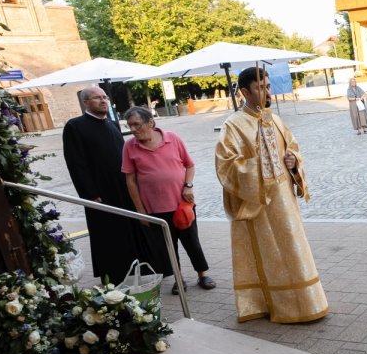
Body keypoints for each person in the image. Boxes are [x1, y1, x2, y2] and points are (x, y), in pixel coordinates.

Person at [215, 65, 328, 323]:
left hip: (285, 201)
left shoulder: (274, 119)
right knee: (272, 255)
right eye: (260, 88)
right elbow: (226, 165)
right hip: (260, 204)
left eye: (268, 86)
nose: (267, 92)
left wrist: (293, 161)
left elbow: (292, 148)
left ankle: (307, 301)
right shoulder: (233, 125)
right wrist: (261, 165)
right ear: (245, 91)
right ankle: (274, 304)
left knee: (293, 248)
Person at [63, 87, 161, 284]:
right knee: (108, 233)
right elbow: (76, 164)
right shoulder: (75, 126)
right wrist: (90, 194)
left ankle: (137, 267)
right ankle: (113, 274)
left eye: (104, 97)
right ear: (85, 103)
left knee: (130, 228)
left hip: (123, 187)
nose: (102, 101)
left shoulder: (112, 124)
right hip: (100, 192)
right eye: (96, 98)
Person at [121, 107, 216, 294]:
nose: (133, 129)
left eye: (137, 124)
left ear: (150, 123)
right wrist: (140, 211)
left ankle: (202, 274)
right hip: (155, 209)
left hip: (181, 205)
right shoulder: (129, 147)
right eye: (130, 125)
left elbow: (189, 165)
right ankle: (178, 280)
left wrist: (188, 185)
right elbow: (130, 182)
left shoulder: (172, 138)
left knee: (192, 242)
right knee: (167, 248)